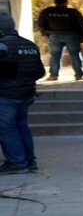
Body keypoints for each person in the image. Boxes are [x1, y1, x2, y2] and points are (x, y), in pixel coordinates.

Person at [0, 12, 45, 175]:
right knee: (21, 126)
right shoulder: (30, 45)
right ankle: (29, 160)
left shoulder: (2, 46)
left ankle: (17, 162)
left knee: (6, 128)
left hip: (6, 95)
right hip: (27, 93)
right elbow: (40, 72)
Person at [37, 0, 83, 81]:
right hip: (72, 35)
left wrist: (45, 33)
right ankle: (79, 75)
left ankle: (53, 75)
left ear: (55, 2)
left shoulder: (47, 11)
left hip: (54, 35)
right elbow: (82, 23)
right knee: (74, 55)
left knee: (55, 56)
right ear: (66, 2)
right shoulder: (73, 12)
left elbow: (40, 23)